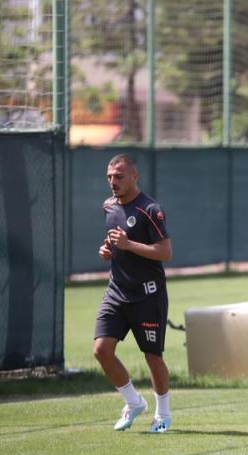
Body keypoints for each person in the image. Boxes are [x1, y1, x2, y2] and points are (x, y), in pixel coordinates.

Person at [93, 153, 173, 433]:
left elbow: (165, 252)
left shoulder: (150, 209)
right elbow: (114, 243)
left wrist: (129, 246)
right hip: (116, 292)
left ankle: (163, 415)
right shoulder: (108, 206)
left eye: (119, 176)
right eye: (109, 177)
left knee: (152, 356)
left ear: (134, 177)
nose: (113, 181)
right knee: (101, 350)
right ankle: (133, 402)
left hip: (147, 295)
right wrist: (108, 250)